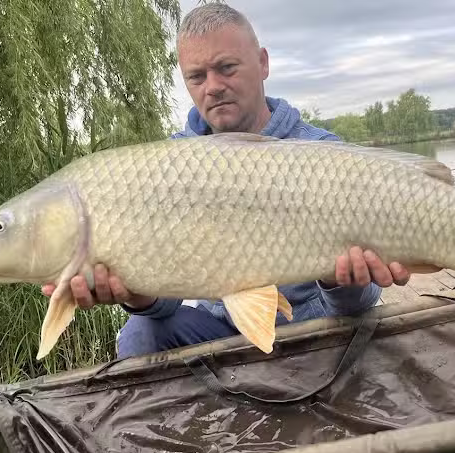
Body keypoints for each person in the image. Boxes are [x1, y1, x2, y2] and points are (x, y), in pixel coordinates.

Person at [42, 4, 418, 358]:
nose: (213, 86)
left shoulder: (321, 154)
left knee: (357, 328)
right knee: (140, 331)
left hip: (317, 332)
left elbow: (361, 302)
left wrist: (343, 282)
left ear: (263, 63)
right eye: (197, 76)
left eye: (226, 68)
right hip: (222, 330)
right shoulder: (169, 167)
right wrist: (136, 294)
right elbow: (167, 300)